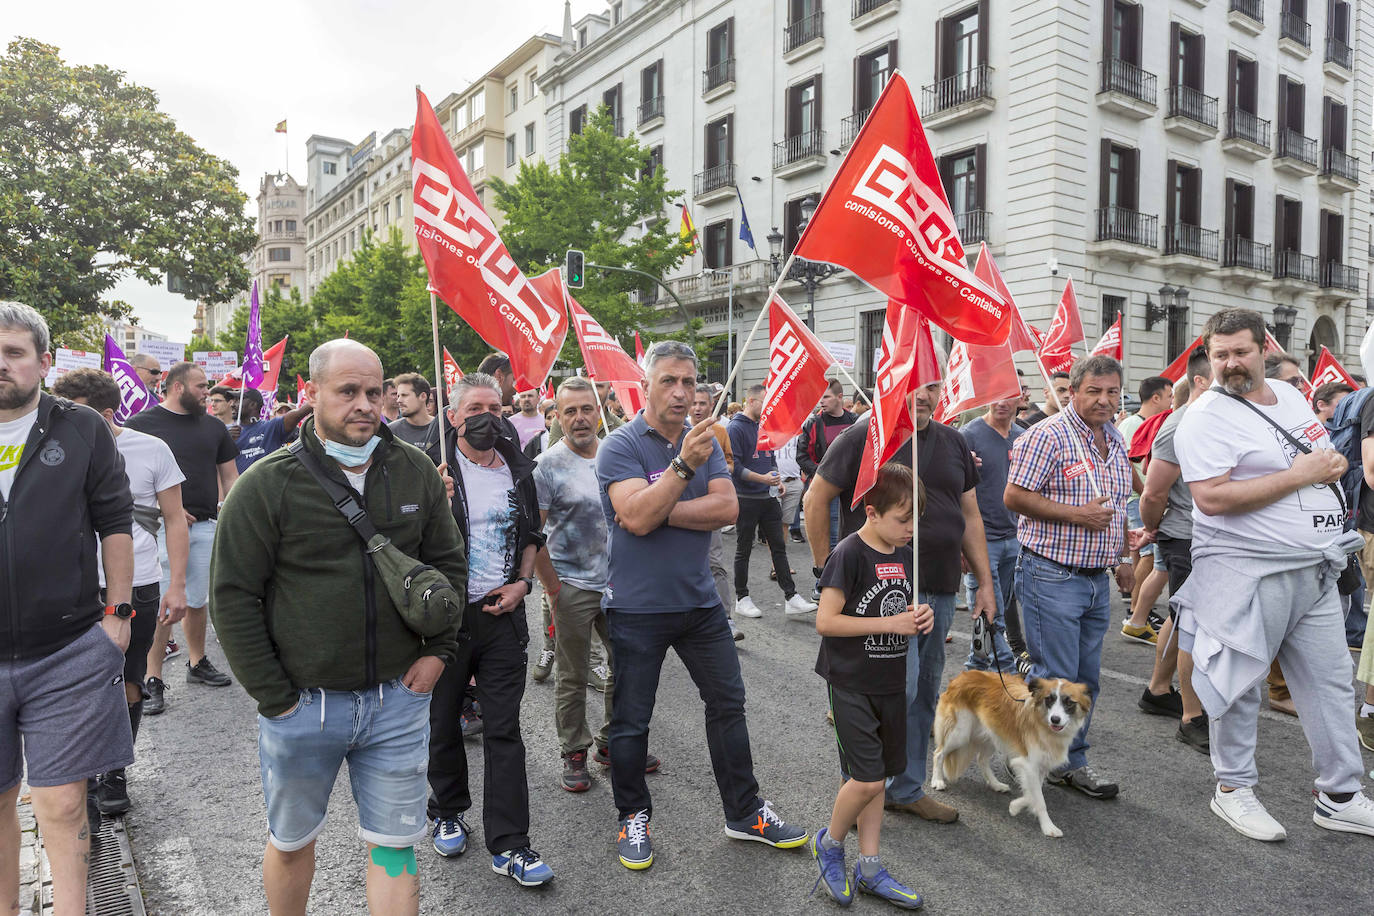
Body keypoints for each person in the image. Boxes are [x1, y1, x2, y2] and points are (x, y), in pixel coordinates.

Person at [210, 339, 465, 915]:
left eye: (375, 392)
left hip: (398, 702)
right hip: (303, 708)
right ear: (313, 391)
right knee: (293, 843)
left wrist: (439, 654)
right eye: (348, 391)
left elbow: (448, 567)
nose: (365, 404)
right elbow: (232, 596)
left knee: (396, 849)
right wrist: (276, 698)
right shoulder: (267, 483)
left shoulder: (415, 470)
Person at [598, 341, 808, 871]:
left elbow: (726, 508)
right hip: (637, 608)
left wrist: (659, 502)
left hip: (699, 603)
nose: (681, 392)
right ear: (644, 386)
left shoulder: (704, 441)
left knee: (728, 706)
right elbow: (637, 519)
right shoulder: (619, 446)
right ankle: (632, 816)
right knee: (631, 720)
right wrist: (678, 474)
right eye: (668, 380)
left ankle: (744, 812)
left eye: (689, 382)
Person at [1170, 307, 1374, 841]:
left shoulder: (1287, 395)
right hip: (1246, 571)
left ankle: (1340, 794)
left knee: (1331, 683)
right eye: (1220, 355)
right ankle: (1232, 789)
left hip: (1316, 568)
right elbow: (1211, 499)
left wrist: (1327, 468)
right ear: (1209, 358)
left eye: (1241, 352)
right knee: (1237, 683)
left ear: (1265, 348)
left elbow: (1316, 453)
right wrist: (1299, 474)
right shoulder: (1205, 417)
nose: (1231, 364)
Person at [805, 374, 994, 824]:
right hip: (878, 598)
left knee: (925, 692)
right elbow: (815, 499)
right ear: (891, 384)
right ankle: (863, 787)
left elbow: (970, 515)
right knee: (887, 693)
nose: (924, 396)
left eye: (932, 384)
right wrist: (824, 572)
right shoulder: (861, 435)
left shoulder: (953, 441)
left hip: (939, 590)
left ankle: (905, 788)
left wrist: (985, 583)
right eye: (913, 384)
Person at [0, 303, 135, 916]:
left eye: (14, 352)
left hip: (67, 651)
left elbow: (115, 523)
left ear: (43, 362)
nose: (1, 365)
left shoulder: (80, 426)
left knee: (61, 802)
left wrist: (118, 617)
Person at [426, 373, 553, 886]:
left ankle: (511, 844)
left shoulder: (518, 470)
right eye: (475, 407)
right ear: (453, 416)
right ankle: (447, 809)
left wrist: (524, 583)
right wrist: (432, 498)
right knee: (443, 722)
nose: (487, 416)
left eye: (495, 408)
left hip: (502, 617)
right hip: (444, 621)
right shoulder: (429, 469)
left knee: (504, 729)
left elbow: (532, 533)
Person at [52, 368, 190, 815]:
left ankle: (114, 772)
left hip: (139, 583)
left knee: (128, 680)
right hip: (70, 586)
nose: (61, 416)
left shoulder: (150, 449)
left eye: (73, 409)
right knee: (76, 683)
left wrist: (177, 585)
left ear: (106, 413)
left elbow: (174, 519)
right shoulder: (51, 447)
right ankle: (84, 771)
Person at [1005, 354, 1134, 801]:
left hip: (1096, 579)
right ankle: (1044, 761)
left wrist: (1122, 560)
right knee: (1054, 679)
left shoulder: (1114, 437)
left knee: (1085, 682)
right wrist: (1077, 515)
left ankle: (1062, 761)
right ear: (1073, 391)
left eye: (1112, 392)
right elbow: (1014, 496)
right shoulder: (1047, 435)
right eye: (1094, 391)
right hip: (1051, 575)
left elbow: (1116, 506)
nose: (1104, 400)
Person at [811, 463, 931, 910]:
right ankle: (830, 842)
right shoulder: (849, 553)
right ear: (873, 511)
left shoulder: (901, 553)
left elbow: (898, 607)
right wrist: (891, 622)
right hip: (851, 683)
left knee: (880, 780)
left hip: (889, 679)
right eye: (903, 519)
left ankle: (871, 865)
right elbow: (825, 621)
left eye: (916, 520)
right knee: (865, 778)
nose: (911, 529)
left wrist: (918, 618)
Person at [534, 377, 660, 793]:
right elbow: (533, 537)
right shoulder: (547, 466)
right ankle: (574, 752)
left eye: (587, 408)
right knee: (572, 675)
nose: (580, 418)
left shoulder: (616, 454)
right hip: (572, 586)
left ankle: (613, 744)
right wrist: (553, 589)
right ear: (557, 416)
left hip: (621, 584)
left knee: (625, 669)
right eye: (570, 411)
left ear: (600, 408)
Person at [126, 361, 240, 708]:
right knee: (163, 600)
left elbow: (230, 478)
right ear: (178, 387)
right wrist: (165, 510)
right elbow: (121, 481)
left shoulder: (214, 428)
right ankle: (153, 677)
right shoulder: (140, 425)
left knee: (196, 599)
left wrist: (234, 517)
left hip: (205, 525)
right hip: (156, 528)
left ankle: (196, 661)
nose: (209, 392)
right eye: (202, 386)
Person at [1138, 347, 1211, 751]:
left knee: (1179, 614)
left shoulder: (1218, 417)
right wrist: (1152, 529)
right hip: (1185, 535)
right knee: (1192, 622)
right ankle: (1191, 716)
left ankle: (1158, 689)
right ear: (1200, 380)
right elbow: (1152, 492)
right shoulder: (1179, 424)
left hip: (1205, 536)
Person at [728, 384, 817, 619]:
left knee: (779, 546)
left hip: (767, 497)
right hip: (745, 498)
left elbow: (771, 456)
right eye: (764, 403)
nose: (768, 408)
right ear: (751, 401)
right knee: (743, 549)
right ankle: (742, 597)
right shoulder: (736, 428)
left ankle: (791, 596)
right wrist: (763, 478)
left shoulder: (764, 425)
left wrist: (775, 477)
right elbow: (734, 466)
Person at [959, 393, 1025, 672]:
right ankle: (1007, 671)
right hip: (981, 540)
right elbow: (954, 489)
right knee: (991, 610)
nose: (1001, 403)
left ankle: (977, 663)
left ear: (1020, 399)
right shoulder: (968, 435)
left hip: (1015, 538)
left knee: (999, 603)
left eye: (1008, 397)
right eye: (995, 396)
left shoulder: (1024, 436)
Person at [1119, 376, 1174, 643]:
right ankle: (1135, 612)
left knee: (1145, 556)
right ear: (1156, 398)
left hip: (1143, 497)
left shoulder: (1148, 423)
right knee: (1151, 554)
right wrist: (1145, 493)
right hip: (1136, 498)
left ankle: (1139, 610)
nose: (1171, 401)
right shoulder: (1132, 424)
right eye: (1169, 396)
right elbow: (1129, 465)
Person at [689, 384, 742, 641]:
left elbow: (731, 462)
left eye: (703, 404)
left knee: (714, 563)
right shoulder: (678, 433)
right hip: (681, 509)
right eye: (694, 403)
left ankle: (726, 619)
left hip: (710, 510)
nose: (698, 408)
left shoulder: (720, 432)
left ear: (712, 406)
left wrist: (721, 470)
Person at [798, 379, 857, 554]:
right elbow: (802, 456)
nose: (821, 401)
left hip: (852, 488)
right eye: (820, 397)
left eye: (826, 397)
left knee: (851, 532)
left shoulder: (855, 421)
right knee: (830, 536)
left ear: (840, 397)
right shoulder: (813, 423)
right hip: (825, 487)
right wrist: (824, 474)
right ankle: (828, 576)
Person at [235, 387, 312, 472]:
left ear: (253, 405)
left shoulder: (271, 428)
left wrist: (316, 398)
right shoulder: (228, 433)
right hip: (237, 485)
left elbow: (297, 414)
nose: (233, 404)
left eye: (239, 400)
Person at [388, 373, 440, 466]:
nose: (399, 400)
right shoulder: (390, 432)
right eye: (398, 395)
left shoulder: (442, 428)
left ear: (423, 396)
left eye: (404, 395)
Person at [776, 430, 804, 542]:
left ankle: (779, 555)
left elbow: (805, 454)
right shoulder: (769, 431)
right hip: (774, 481)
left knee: (785, 523)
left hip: (794, 481)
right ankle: (775, 555)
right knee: (773, 522)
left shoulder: (798, 432)